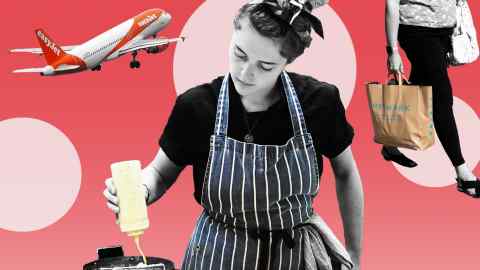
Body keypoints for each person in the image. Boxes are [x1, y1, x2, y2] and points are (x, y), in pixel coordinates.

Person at [104, 1, 364, 269]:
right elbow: (159, 173)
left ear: (287, 61)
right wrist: (141, 190)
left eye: (265, 66)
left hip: (296, 256)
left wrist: (354, 256)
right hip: (217, 254)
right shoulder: (196, 106)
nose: (245, 73)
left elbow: (346, 173)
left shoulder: (319, 102)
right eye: (239, 54)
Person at [384, 0, 479, 197]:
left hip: (445, 33)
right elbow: (391, 4)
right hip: (417, 32)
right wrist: (392, 51)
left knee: (418, 92)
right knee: (442, 98)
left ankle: (390, 146)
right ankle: (462, 172)